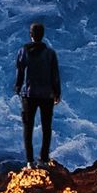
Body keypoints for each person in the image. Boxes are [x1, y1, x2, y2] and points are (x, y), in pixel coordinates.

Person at [14, 21, 62, 167]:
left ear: (31, 35)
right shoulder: (50, 53)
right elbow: (55, 75)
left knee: (28, 128)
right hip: (46, 95)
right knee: (46, 127)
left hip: (29, 94)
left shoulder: (23, 51)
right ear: (42, 36)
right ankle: (44, 159)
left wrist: (18, 86)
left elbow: (20, 71)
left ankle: (29, 161)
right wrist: (57, 92)